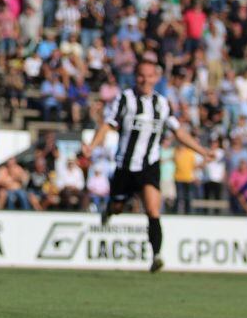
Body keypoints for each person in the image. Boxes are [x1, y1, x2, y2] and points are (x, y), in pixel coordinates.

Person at [82, 59, 213, 273]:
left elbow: (178, 132)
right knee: (118, 206)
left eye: (149, 76)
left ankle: (157, 255)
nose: (145, 80)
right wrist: (92, 147)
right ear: (136, 77)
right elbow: (108, 124)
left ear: (156, 78)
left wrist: (203, 151)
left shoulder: (162, 103)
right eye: (141, 75)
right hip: (125, 165)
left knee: (153, 209)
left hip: (149, 165)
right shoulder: (125, 99)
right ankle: (110, 210)